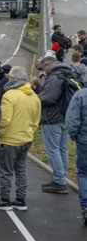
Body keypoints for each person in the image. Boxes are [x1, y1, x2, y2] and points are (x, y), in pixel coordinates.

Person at [0, 67, 41, 211]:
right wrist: (30, 132)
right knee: (21, 169)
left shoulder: (9, 95)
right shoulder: (34, 96)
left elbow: (5, 119)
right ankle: (20, 199)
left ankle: (5, 199)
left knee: (5, 170)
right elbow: (36, 120)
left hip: (10, 139)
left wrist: (0, 134)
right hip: (26, 137)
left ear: (12, 78)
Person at [37, 56, 73, 194]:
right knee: (62, 149)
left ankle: (59, 181)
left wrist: (36, 98)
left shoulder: (54, 77)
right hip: (65, 116)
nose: (44, 71)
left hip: (53, 117)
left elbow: (48, 98)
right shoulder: (67, 73)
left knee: (53, 150)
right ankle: (62, 177)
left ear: (47, 64)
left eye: (44, 68)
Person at [64, 83, 87, 226]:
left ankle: (85, 205)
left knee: (84, 173)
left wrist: (74, 135)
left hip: (84, 140)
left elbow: (72, 120)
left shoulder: (81, 95)